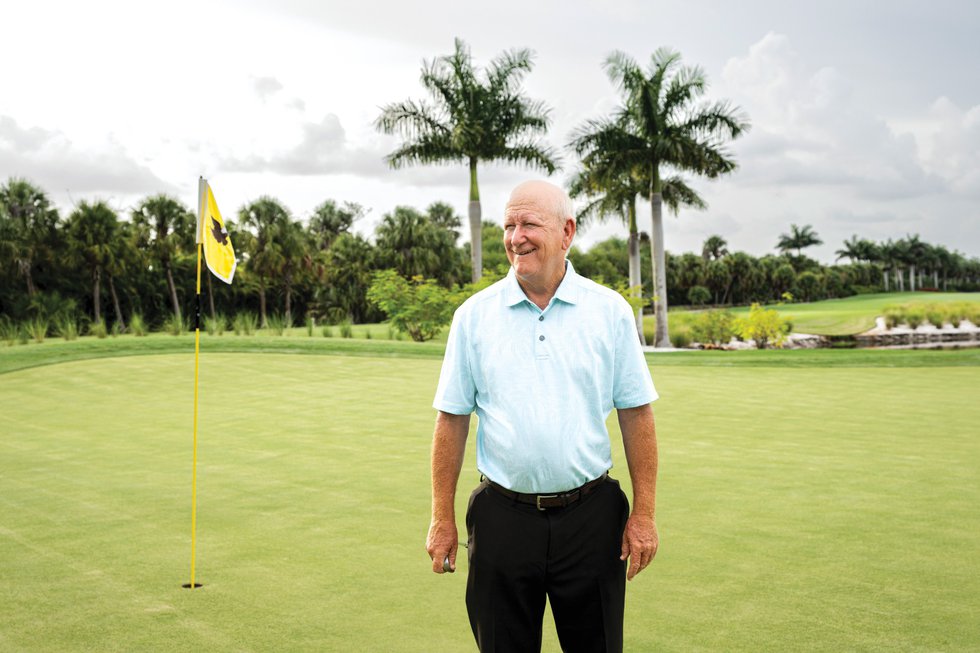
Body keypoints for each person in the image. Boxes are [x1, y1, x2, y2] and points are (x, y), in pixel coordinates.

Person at [427, 180, 660, 653]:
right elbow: (451, 419)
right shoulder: (473, 316)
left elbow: (636, 414)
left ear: (566, 231)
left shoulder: (609, 311)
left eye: (529, 223)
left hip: (593, 519)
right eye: (509, 225)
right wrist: (441, 517)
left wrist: (644, 514)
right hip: (501, 519)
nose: (516, 236)